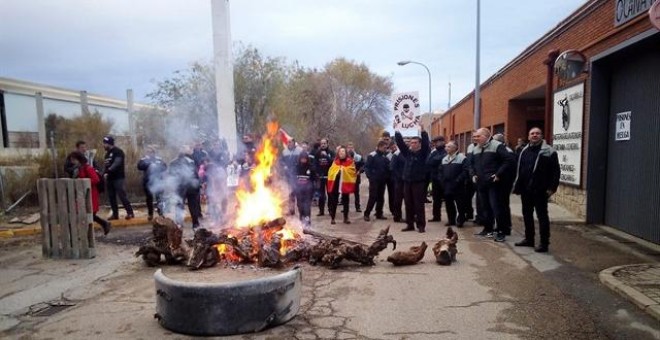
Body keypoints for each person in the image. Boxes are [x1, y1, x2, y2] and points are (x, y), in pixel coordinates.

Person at [513, 127, 560, 253]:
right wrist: (517, 185)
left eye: (537, 133)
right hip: (525, 190)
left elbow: (556, 172)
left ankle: (544, 243)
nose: (535, 135)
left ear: (541, 136)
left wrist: (552, 188)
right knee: (527, 215)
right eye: (532, 133)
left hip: (541, 190)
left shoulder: (549, 151)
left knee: (542, 217)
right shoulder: (524, 151)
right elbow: (519, 169)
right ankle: (529, 239)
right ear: (528, 137)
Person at [469, 128, 515, 242]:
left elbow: (509, 160)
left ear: (485, 136)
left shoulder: (497, 146)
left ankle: (501, 231)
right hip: (481, 183)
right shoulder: (476, 149)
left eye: (477, 136)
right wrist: (473, 174)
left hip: (494, 184)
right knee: (485, 208)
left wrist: (498, 174)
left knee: (497, 208)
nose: (475, 138)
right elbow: (471, 164)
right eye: (475, 137)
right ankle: (488, 229)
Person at [394, 127, 431, 233]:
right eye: (411, 142)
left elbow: (425, 144)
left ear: (419, 144)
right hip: (407, 182)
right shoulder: (407, 153)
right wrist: (397, 131)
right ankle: (410, 224)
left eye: (415, 142)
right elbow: (400, 144)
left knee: (418, 204)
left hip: (418, 182)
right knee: (408, 204)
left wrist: (423, 131)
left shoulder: (423, 153)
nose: (413, 144)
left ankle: (421, 225)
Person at [68, 151, 111, 235]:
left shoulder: (88, 168)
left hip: (91, 194)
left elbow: (96, 179)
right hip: (84, 194)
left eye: (73, 160)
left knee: (90, 214)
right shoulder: (79, 169)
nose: (72, 162)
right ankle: (103, 224)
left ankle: (99, 227)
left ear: (78, 159)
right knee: (86, 214)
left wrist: (83, 182)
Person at [102, 136, 134, 220]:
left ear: (109, 143)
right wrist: (104, 173)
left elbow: (117, 163)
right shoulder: (107, 154)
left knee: (122, 195)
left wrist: (108, 171)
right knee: (111, 197)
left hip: (118, 178)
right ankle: (115, 215)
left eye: (105, 143)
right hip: (110, 179)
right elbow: (106, 166)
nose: (103, 145)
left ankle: (130, 213)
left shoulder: (118, 151)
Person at [169, 146, 201, 229]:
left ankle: (180, 223)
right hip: (190, 187)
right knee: (193, 205)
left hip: (181, 187)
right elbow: (195, 175)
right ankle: (195, 223)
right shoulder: (191, 161)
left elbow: (171, 176)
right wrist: (197, 185)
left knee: (180, 205)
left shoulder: (173, 162)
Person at [440, 141, 468, 227]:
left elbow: (465, 171)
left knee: (460, 204)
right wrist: (442, 180)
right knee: (449, 204)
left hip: (458, 185)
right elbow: (440, 171)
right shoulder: (444, 159)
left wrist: (458, 180)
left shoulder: (462, 158)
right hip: (447, 185)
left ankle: (461, 220)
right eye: (446, 147)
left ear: (455, 148)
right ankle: (451, 220)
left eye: (448, 147)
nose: (446, 148)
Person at [326, 146, 357, 225]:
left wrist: (343, 170)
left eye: (343, 152)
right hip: (336, 184)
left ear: (346, 153)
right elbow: (331, 171)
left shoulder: (350, 161)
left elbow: (352, 171)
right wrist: (337, 171)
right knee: (334, 201)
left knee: (346, 201)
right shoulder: (335, 161)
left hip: (345, 184)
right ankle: (333, 217)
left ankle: (346, 217)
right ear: (338, 153)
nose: (341, 153)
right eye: (340, 152)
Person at [137, 145, 167, 221]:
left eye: (151, 151)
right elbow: (139, 166)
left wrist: (157, 167)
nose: (149, 153)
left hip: (158, 181)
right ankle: (150, 214)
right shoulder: (144, 159)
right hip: (148, 182)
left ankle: (161, 213)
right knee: (149, 199)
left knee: (159, 198)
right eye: (148, 151)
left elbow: (164, 167)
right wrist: (149, 164)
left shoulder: (159, 159)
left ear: (154, 152)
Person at [363, 140, 390, 222]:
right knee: (373, 197)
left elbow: (388, 167)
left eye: (386, 148)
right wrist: (370, 177)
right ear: (379, 147)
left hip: (382, 180)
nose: (385, 149)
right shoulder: (372, 155)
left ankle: (379, 213)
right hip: (374, 180)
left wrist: (387, 176)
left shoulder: (385, 157)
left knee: (381, 198)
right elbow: (367, 167)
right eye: (384, 148)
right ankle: (367, 214)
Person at [426, 136, 447, 222]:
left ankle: (452, 218)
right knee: (436, 198)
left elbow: (443, 159)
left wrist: (435, 160)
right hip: (435, 178)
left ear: (442, 142)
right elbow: (428, 162)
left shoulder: (446, 150)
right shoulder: (434, 152)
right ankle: (436, 216)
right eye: (435, 142)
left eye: (437, 142)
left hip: (444, 178)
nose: (435, 144)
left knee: (448, 198)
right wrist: (436, 160)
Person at [294, 151, 316, 228]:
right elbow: (293, 178)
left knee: (307, 206)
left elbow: (314, 179)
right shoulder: (297, 167)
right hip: (299, 190)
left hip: (308, 191)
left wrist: (314, 189)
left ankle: (307, 219)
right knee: (300, 205)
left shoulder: (311, 167)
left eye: (305, 159)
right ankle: (301, 218)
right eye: (302, 159)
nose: (303, 160)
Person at [281, 139, 302, 215]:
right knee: (290, 193)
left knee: (298, 193)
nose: (289, 143)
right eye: (288, 142)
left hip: (297, 175)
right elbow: (281, 161)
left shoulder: (299, 151)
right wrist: (284, 166)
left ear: (294, 143)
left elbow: (302, 161)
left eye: (290, 142)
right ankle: (291, 210)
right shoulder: (284, 152)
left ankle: (300, 210)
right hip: (288, 175)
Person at [314, 138, 334, 216]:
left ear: (327, 144)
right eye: (322, 143)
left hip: (329, 177)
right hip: (320, 177)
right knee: (321, 195)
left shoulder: (331, 152)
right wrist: (317, 173)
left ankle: (331, 210)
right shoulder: (317, 153)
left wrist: (327, 156)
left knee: (330, 194)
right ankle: (321, 210)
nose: (323, 145)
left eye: (324, 143)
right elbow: (315, 164)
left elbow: (333, 162)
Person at [389, 141, 405, 223]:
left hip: (407, 180)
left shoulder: (407, 152)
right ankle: (397, 216)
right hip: (399, 181)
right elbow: (392, 167)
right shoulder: (397, 154)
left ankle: (411, 216)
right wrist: (398, 176)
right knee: (398, 199)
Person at [346, 142, 363, 213]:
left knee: (356, 193)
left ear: (354, 148)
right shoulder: (344, 157)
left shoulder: (358, 157)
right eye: (349, 147)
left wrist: (360, 171)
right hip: (346, 178)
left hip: (356, 177)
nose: (350, 149)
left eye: (351, 147)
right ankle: (345, 207)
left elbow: (363, 165)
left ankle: (357, 207)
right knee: (346, 193)